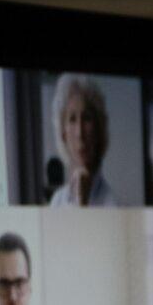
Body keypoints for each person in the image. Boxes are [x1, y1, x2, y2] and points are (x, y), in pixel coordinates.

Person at [48, 74, 119, 206]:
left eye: (86, 118)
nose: (79, 133)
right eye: (72, 119)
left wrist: (83, 202)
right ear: (63, 134)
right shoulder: (57, 201)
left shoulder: (113, 202)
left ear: (99, 130)